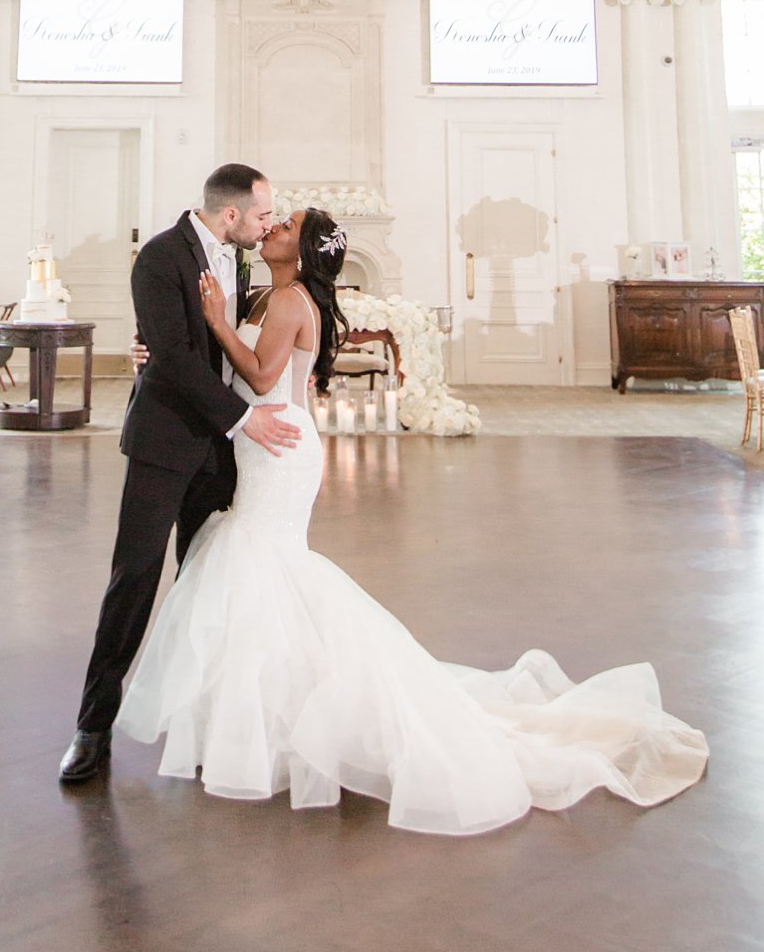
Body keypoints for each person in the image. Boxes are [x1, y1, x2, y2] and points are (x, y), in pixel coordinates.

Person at [115, 208, 710, 837]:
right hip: (263, 444)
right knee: (264, 572)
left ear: (305, 252)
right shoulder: (269, 293)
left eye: (284, 226)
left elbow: (262, 375)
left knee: (264, 566)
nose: (271, 231)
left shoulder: (290, 299)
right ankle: (261, 721)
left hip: (278, 448)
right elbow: (232, 364)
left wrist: (212, 320)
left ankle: (282, 722)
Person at [59, 164, 301, 785]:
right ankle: (92, 726)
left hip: (219, 457)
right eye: (263, 214)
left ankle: (201, 723)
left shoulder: (241, 262)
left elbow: (221, 343)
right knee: (135, 577)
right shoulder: (161, 258)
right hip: (166, 443)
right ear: (230, 216)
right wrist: (241, 419)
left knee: (206, 585)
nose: (268, 224)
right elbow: (169, 357)